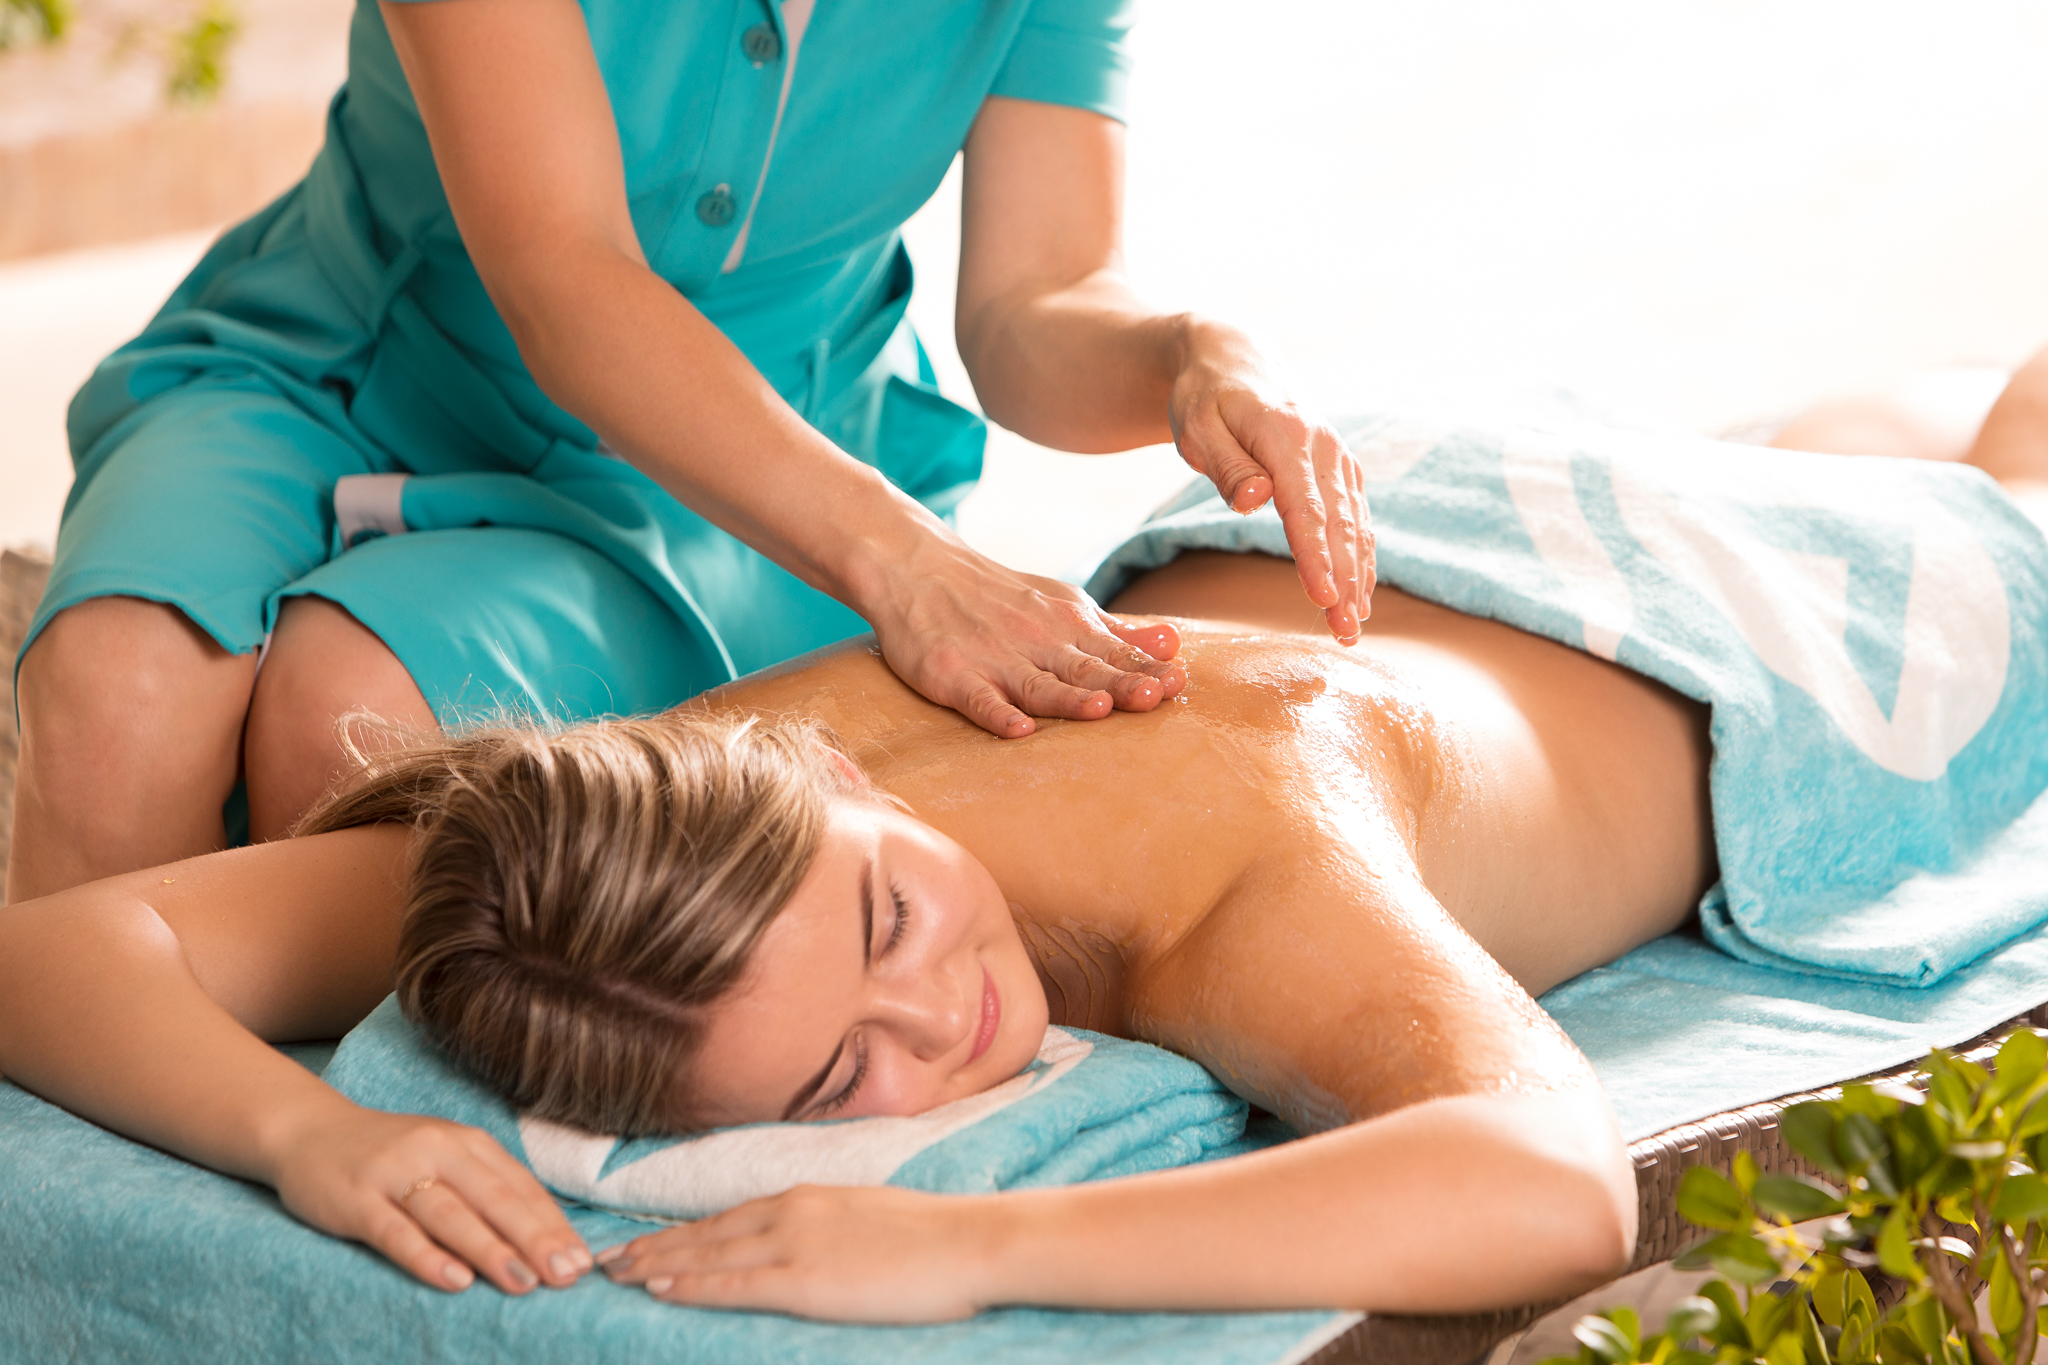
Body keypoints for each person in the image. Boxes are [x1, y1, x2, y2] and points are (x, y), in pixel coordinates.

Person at [3, 350, 2046, 1322]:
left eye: (888, 920)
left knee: (2004, 497)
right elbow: (58, 950)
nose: (944, 1019)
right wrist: (311, 1134)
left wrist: (969, 1240)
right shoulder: (632, 831)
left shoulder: (1242, 901)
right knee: (1852, 442)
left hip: (1670, 630)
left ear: (842, 780)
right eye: (838, 1081)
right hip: (1413, 566)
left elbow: (1544, 1178)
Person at [4, 0, 1374, 904]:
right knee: (116, 700)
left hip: (748, 478)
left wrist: (1193, 355)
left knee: (355, 738)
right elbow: (564, 272)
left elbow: (1034, 301)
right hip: (345, 356)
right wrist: (907, 565)